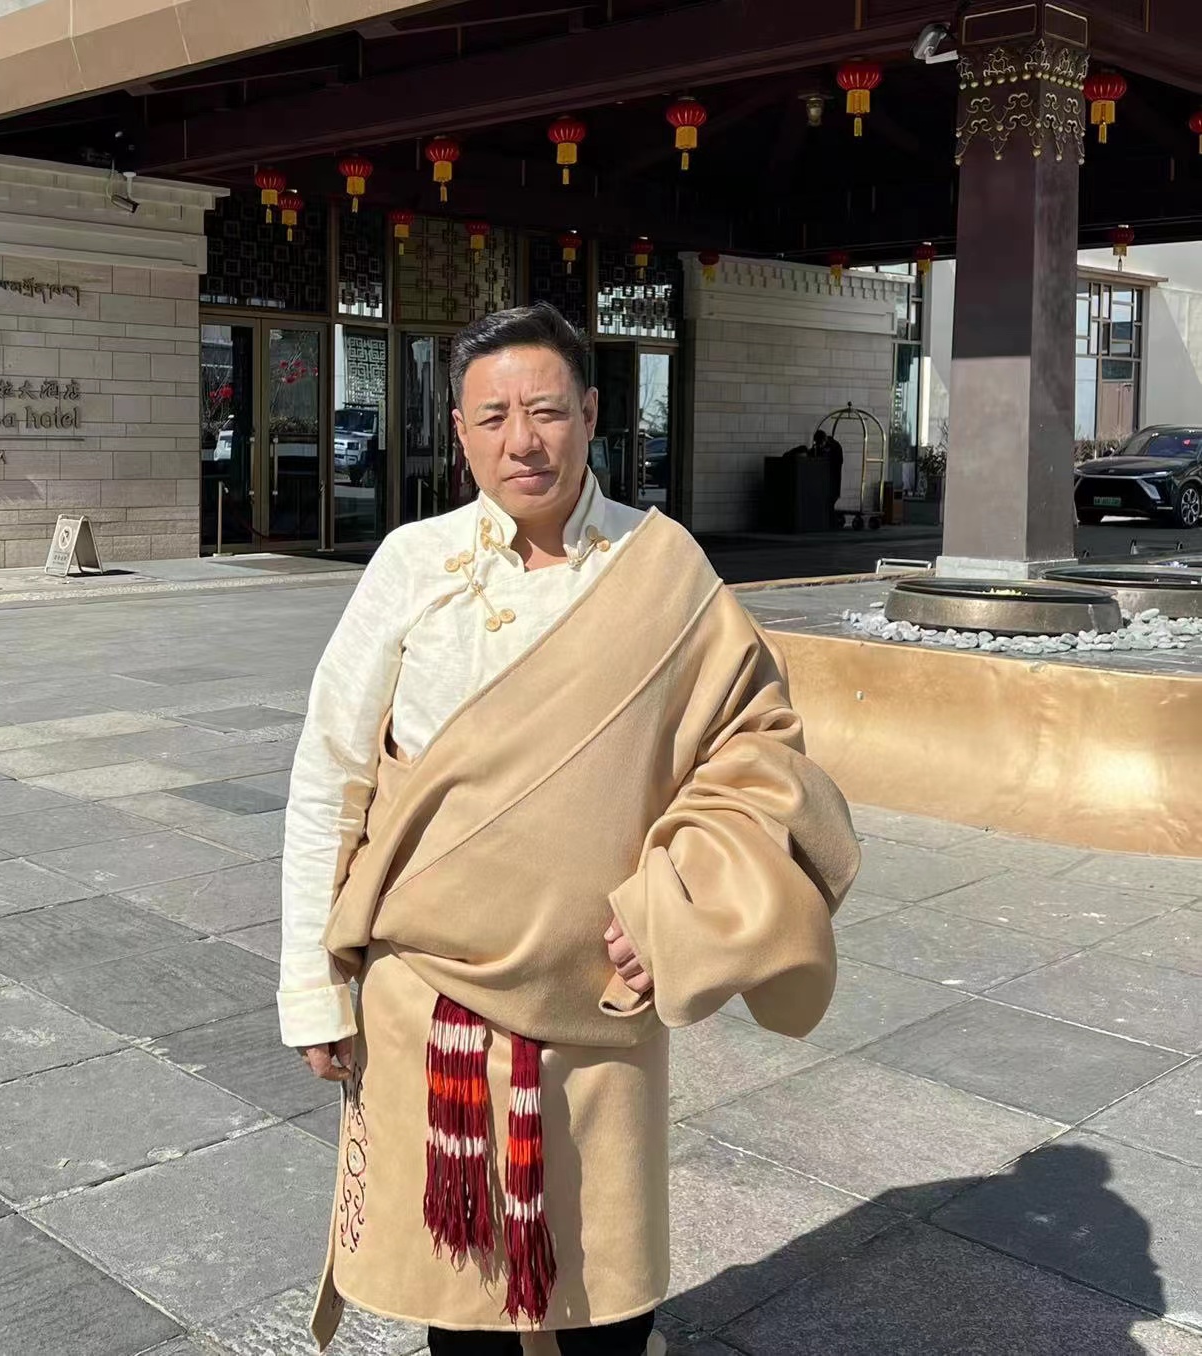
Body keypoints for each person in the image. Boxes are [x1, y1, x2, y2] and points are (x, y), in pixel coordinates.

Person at [278, 302, 860, 1356]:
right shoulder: (411, 562)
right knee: (459, 1315)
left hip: (597, 1004)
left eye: (547, 410)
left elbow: (759, 752)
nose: (523, 440)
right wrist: (312, 987)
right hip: (430, 996)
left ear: (591, 415)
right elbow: (333, 775)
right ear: (459, 432)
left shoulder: (664, 566)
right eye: (493, 416)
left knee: (606, 1309)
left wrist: (681, 901)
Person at [812, 428, 844, 526]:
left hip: (832, 479)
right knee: (827, 503)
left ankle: (832, 522)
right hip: (825, 480)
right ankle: (831, 522)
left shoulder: (834, 446)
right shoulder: (822, 447)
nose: (819, 446)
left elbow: (838, 462)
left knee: (830, 501)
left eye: (820, 444)